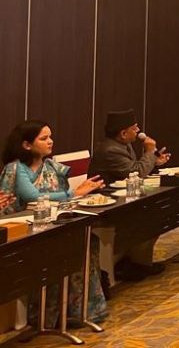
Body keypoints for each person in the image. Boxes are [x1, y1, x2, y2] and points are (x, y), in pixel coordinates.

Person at [1, 120, 108, 326]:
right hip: (23, 235)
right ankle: (49, 314)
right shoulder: (15, 168)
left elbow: (61, 202)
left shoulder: (50, 166)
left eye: (50, 137)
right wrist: (73, 193)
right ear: (26, 145)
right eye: (44, 138)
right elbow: (34, 197)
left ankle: (79, 310)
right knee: (62, 248)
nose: (50, 141)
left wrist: (78, 195)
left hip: (50, 227)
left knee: (86, 241)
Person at [89, 109, 171, 281]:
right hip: (107, 204)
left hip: (123, 199)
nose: (138, 130)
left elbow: (133, 171)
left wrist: (155, 161)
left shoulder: (122, 144)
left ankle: (137, 262)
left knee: (159, 212)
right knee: (152, 216)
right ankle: (135, 263)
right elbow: (136, 172)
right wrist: (150, 152)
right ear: (123, 133)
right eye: (134, 128)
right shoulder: (110, 149)